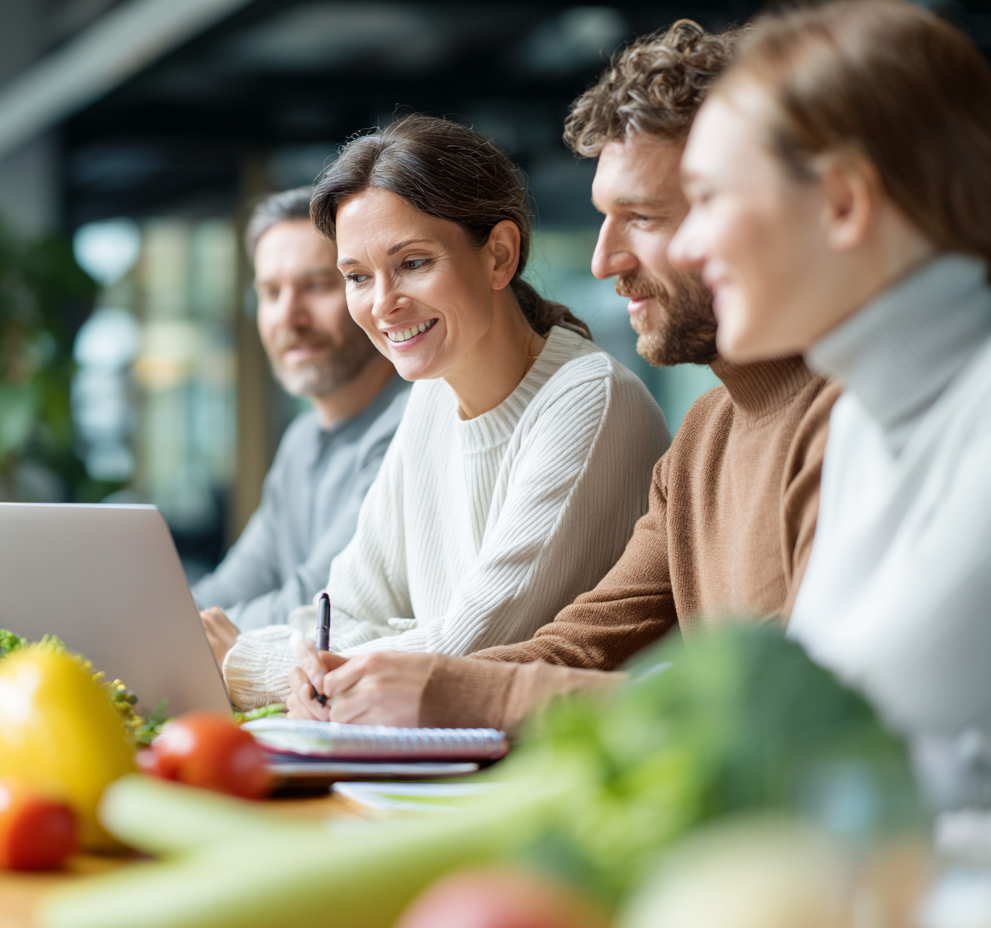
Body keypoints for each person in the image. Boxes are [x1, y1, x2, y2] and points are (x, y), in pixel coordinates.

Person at [286, 21, 842, 729]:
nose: (603, 261)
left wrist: (440, 687)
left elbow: (786, 716)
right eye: (605, 218)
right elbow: (576, 649)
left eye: (642, 216)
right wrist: (383, 680)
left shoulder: (844, 422)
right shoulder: (703, 437)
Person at [216, 114, 672, 711]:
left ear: (499, 256)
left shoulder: (588, 398)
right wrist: (379, 643)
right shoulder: (431, 396)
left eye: (412, 263)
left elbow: (465, 651)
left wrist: (249, 660)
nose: (382, 305)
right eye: (356, 276)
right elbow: (344, 609)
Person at [670, 0, 991, 740]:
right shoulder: (859, 416)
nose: (686, 247)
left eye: (709, 198)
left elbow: (840, 734)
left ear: (844, 202)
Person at [192, 187, 409, 640]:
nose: (290, 317)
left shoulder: (411, 425)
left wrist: (180, 631)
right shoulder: (302, 439)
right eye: (271, 293)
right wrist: (158, 619)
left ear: (362, 288)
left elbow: (319, 600)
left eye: (316, 286)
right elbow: (235, 583)